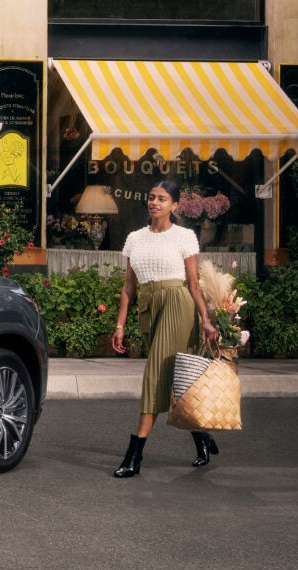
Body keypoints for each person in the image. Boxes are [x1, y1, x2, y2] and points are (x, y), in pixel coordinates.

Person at [109, 181, 221, 478]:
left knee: (156, 374)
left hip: (177, 304)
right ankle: (203, 438)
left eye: (161, 199)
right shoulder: (135, 238)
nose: (154, 203)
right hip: (148, 306)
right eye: (151, 198)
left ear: (175, 205)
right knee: (177, 379)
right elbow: (128, 288)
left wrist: (206, 319)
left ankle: (135, 455)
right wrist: (120, 325)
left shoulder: (184, 236)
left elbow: (194, 284)